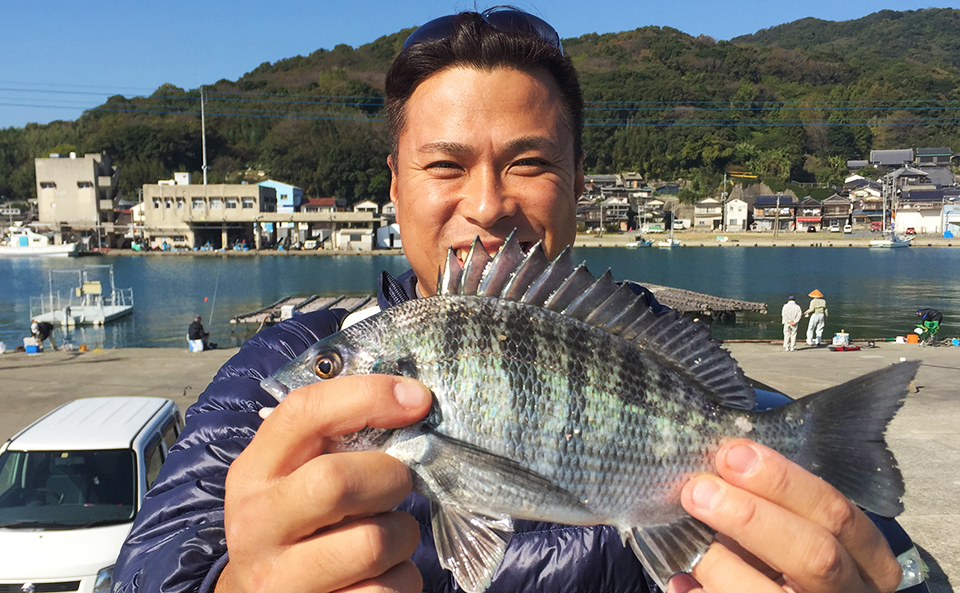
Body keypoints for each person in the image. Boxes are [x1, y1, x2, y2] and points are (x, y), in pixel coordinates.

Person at [114, 10, 905, 593]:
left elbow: (894, 565)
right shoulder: (260, 391)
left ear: (579, 181)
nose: (487, 204)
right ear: (394, 188)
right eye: (445, 166)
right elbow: (150, 564)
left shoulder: (656, 355)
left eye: (528, 161)